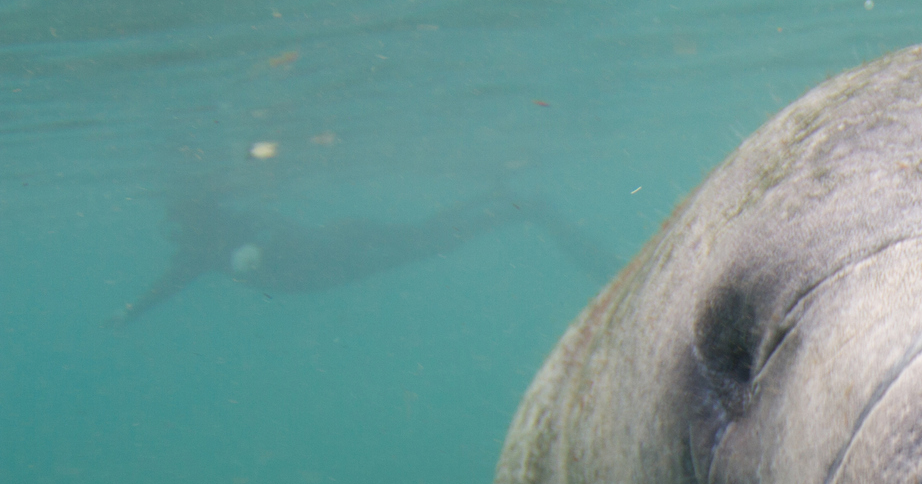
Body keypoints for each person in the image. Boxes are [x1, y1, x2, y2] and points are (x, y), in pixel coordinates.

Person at [110, 185, 620, 327]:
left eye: (180, 221)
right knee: (429, 240)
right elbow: (166, 287)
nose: (174, 232)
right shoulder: (203, 250)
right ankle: (508, 204)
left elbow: (284, 241)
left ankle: (516, 207)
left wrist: (261, 247)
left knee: (429, 241)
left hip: (343, 252)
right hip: (341, 255)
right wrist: (131, 312)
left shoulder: (229, 232)